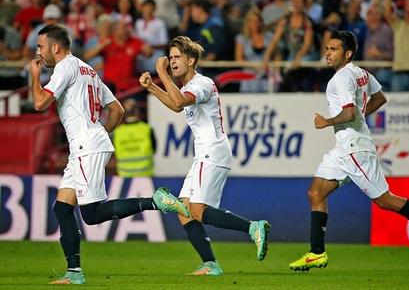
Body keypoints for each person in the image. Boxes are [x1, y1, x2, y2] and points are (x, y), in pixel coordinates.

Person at [30, 24, 189, 285]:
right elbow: (117, 111)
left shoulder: (65, 67)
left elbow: (39, 103)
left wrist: (34, 76)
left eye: (41, 47)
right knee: (62, 208)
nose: (39, 53)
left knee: (91, 214)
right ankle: (73, 272)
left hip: (85, 145)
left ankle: (155, 201)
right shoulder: (88, 70)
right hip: (87, 144)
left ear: (55, 47)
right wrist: (99, 134)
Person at [288, 30, 409, 272]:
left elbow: (349, 112)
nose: (327, 53)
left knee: (385, 200)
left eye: (333, 49)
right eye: (327, 48)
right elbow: (379, 98)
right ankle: (316, 253)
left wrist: (327, 121)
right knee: (316, 193)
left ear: (347, 54)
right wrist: (357, 116)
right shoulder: (361, 74)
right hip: (343, 147)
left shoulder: (341, 78)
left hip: (355, 148)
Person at [139, 36, 270, 276]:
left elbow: (178, 103)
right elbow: (177, 102)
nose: (172, 61)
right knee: (184, 211)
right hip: (205, 153)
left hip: (212, 151)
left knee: (197, 210)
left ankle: (253, 227)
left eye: (177, 57)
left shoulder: (202, 84)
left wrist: (161, 73)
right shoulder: (189, 87)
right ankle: (211, 264)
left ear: (191, 60)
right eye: (170, 57)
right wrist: (152, 87)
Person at [113, 98, 157, 177]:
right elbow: (154, 149)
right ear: (137, 111)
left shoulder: (117, 132)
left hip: (124, 175)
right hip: (145, 175)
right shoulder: (147, 129)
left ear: (124, 112)